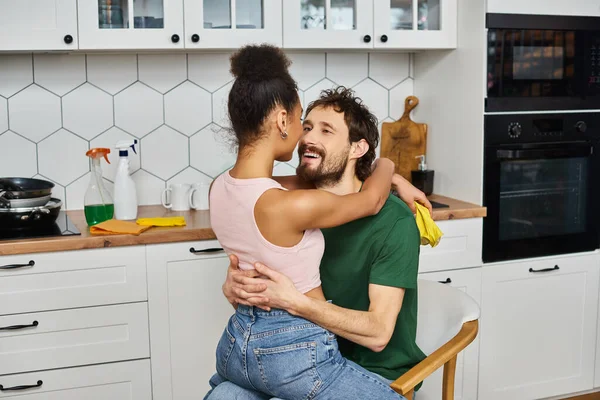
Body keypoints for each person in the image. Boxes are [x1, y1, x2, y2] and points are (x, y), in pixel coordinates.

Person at [206, 44, 411, 400]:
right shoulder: (296, 204)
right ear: (282, 121)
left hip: (237, 345)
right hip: (294, 353)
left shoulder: (220, 188)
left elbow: (379, 333)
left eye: (325, 131)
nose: (306, 136)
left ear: (357, 147)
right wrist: (387, 166)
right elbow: (369, 200)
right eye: (305, 122)